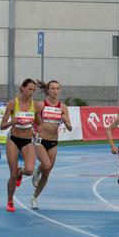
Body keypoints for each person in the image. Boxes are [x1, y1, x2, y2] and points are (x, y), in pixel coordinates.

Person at [29, 80, 73, 210]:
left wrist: (66, 122)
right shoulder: (40, 105)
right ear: (48, 90)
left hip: (53, 142)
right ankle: (37, 170)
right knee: (46, 165)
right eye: (52, 88)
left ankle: (35, 197)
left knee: (47, 173)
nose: (55, 91)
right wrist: (33, 132)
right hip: (40, 140)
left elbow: (70, 128)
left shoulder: (63, 107)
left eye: (57, 88)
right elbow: (29, 120)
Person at [0, 79, 40, 213]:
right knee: (12, 175)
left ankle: (20, 172)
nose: (31, 92)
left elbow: (39, 124)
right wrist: (12, 122)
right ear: (22, 88)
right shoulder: (12, 103)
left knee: (29, 170)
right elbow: (2, 126)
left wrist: (36, 132)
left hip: (27, 140)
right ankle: (10, 201)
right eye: (29, 89)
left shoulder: (36, 105)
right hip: (13, 139)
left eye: (33, 90)